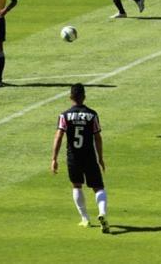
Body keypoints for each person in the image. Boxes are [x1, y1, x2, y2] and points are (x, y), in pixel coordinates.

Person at [51, 83, 110, 233]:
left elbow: (59, 136)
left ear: (71, 97)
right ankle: (102, 213)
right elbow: (98, 137)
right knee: (98, 187)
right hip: (89, 156)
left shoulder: (64, 115)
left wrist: (54, 158)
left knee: (76, 185)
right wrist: (100, 158)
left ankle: (85, 219)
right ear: (84, 96)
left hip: (73, 157)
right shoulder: (92, 114)